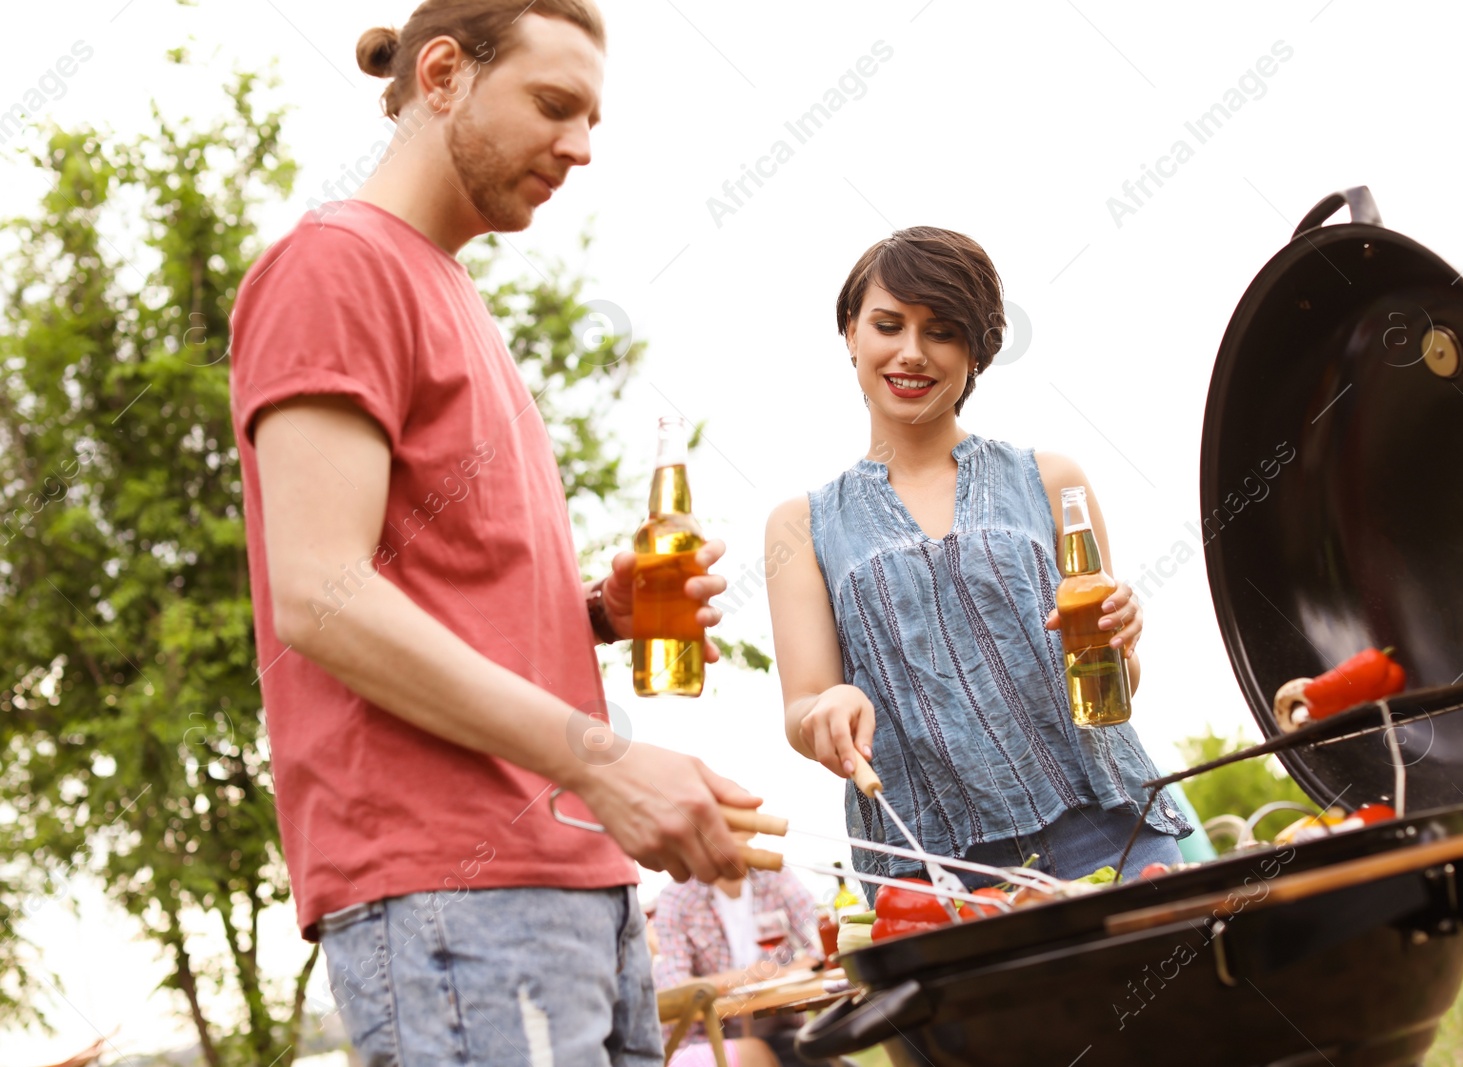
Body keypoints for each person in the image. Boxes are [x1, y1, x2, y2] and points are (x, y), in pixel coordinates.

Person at [227, 3, 759, 1063]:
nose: (581, 145)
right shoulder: (334, 267)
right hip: (452, 891)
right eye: (554, 105)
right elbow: (323, 596)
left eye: (593, 119)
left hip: (574, 878)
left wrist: (594, 613)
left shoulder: (451, 289)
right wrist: (606, 760)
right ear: (442, 76)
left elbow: (424, 587)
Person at [765, 227, 1194, 896]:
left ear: (976, 351)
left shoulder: (1053, 479)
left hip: (1109, 826)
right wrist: (831, 704)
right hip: (931, 869)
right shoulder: (802, 524)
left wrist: (1122, 639)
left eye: (940, 331)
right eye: (888, 324)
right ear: (851, 331)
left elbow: (1117, 684)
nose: (911, 352)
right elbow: (802, 709)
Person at [652, 831, 821, 1067]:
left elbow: (820, 942)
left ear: (749, 831)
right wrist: (745, 976)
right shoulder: (678, 897)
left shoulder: (774, 876)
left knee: (817, 1052)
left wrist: (784, 971)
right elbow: (673, 985)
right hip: (709, 1037)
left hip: (777, 1028)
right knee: (759, 1053)